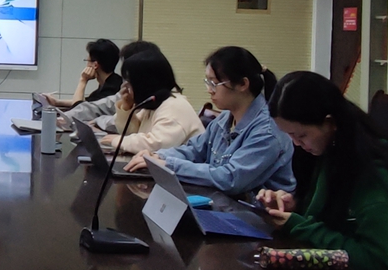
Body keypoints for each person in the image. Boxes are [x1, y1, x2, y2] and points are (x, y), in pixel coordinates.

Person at [256, 71, 388, 270]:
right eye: (290, 136)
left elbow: (380, 266)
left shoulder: (381, 181)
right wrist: (295, 206)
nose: (296, 144)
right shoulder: (331, 155)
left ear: (330, 123)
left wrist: (299, 225)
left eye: (301, 136)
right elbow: (334, 220)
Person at [123, 46, 295, 196]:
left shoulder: (267, 131)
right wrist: (157, 156)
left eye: (214, 83)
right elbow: (194, 150)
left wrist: (168, 164)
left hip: (257, 215)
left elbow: (230, 178)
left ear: (243, 84)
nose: (209, 90)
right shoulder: (225, 118)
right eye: (207, 82)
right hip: (223, 203)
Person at [100, 49, 204, 154]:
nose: (126, 87)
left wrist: (118, 141)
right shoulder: (154, 104)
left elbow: (156, 145)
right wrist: (127, 106)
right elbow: (131, 133)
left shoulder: (175, 106)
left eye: (130, 82)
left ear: (144, 83)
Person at [61, 40, 161, 129]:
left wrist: (83, 80)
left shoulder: (158, 101)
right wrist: (62, 111)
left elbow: (123, 123)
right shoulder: (130, 90)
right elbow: (97, 106)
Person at [42, 39, 122, 108]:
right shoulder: (112, 82)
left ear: (95, 65)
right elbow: (86, 103)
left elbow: (79, 109)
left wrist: (83, 80)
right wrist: (57, 102)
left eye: (88, 61)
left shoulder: (111, 89)